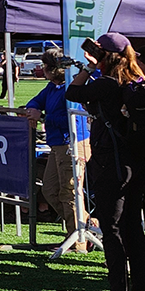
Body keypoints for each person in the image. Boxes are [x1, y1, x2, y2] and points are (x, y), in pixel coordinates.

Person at [65, 32, 145, 291]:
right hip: (137, 164)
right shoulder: (137, 81)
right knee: (134, 231)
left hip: (111, 165)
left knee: (113, 230)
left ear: (105, 54)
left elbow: (73, 93)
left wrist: (88, 68)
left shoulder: (106, 83)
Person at [26, 48, 90, 250]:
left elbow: (74, 119)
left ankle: (78, 240)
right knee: (49, 189)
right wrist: (32, 108)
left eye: (45, 66)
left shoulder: (70, 88)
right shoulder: (52, 86)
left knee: (69, 192)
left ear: (54, 69)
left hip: (72, 144)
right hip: (56, 145)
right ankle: (87, 227)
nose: (41, 69)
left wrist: (44, 117)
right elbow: (38, 100)